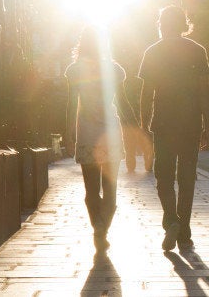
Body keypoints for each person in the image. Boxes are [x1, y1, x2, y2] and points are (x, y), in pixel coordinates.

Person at [139, 5, 209, 251]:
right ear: (183, 24)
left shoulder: (153, 52)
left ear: (161, 24)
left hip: (163, 122)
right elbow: (205, 92)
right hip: (190, 123)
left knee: (164, 177)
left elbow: (146, 92)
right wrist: (207, 124)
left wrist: (143, 123)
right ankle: (184, 232)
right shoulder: (197, 50)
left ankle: (171, 219)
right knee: (187, 178)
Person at [65, 26, 127, 252]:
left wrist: (68, 131)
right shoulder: (115, 70)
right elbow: (121, 103)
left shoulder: (74, 70)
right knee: (110, 189)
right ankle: (103, 228)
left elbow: (72, 104)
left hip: (87, 133)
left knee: (91, 190)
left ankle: (97, 227)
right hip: (110, 133)